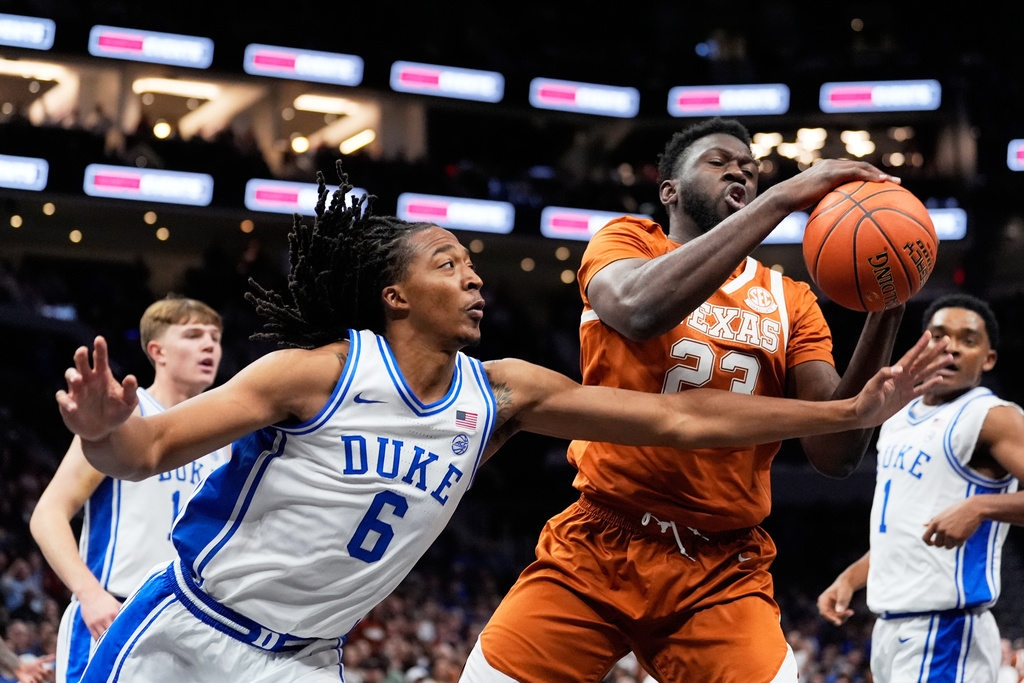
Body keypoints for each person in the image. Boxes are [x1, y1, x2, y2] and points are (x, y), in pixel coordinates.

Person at [55, 163, 948, 683]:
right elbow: (147, 448)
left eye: (475, 264)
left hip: (303, 660)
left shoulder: (502, 392)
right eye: (450, 262)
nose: (476, 278)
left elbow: (679, 415)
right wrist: (101, 430)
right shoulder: (315, 372)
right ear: (396, 294)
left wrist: (848, 408)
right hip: (184, 630)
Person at [462, 116, 915, 683]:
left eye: (750, 170)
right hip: (603, 536)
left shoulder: (791, 299)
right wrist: (778, 201)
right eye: (719, 162)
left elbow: (834, 452)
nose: (740, 172)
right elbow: (636, 309)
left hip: (721, 565)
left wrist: (888, 305)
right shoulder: (625, 242)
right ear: (669, 190)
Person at [817, 294, 1024, 683]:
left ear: (989, 359)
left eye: (968, 340)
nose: (952, 348)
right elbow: (903, 534)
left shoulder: (993, 417)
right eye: (939, 336)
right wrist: (851, 578)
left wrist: (981, 507)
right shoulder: (896, 418)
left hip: (947, 631)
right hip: (889, 628)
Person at [29, 296, 231, 683]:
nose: (209, 345)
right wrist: (89, 594)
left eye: (215, 337)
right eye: (193, 335)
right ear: (158, 351)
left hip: (190, 624)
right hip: (115, 611)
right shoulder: (127, 415)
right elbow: (48, 514)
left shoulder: (222, 438)